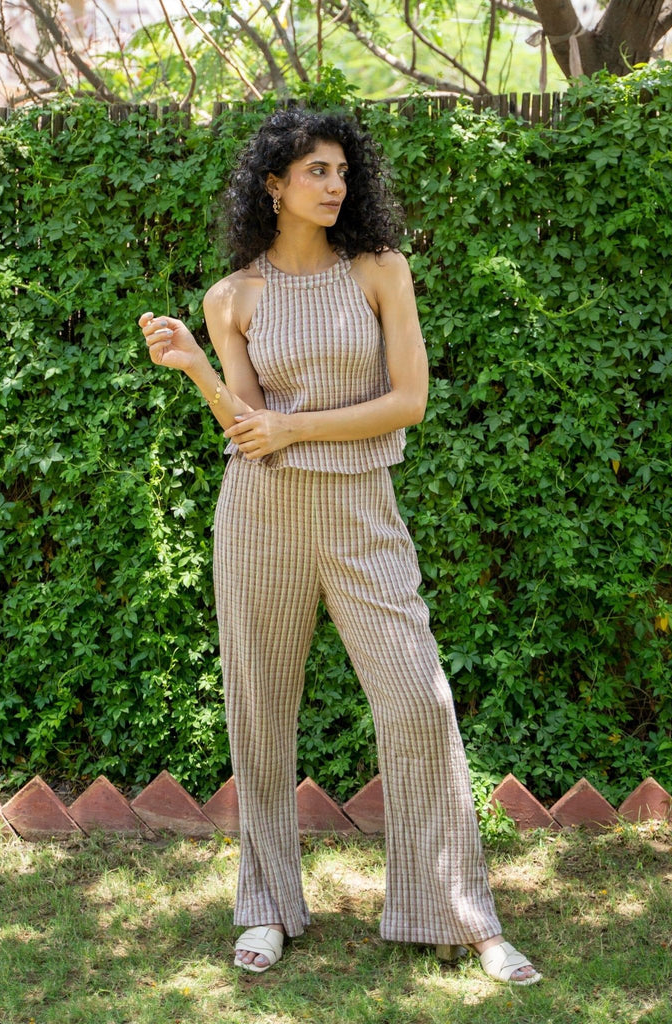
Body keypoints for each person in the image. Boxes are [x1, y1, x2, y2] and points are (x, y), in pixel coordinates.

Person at [139, 108, 541, 987]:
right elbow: (248, 428)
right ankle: (267, 906)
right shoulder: (230, 297)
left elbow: (409, 401)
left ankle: (456, 912)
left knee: (419, 700)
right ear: (273, 185)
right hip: (262, 512)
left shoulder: (379, 270)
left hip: (361, 508)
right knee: (258, 709)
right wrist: (197, 367)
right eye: (315, 171)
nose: (334, 185)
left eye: (342, 171)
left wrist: (296, 427)